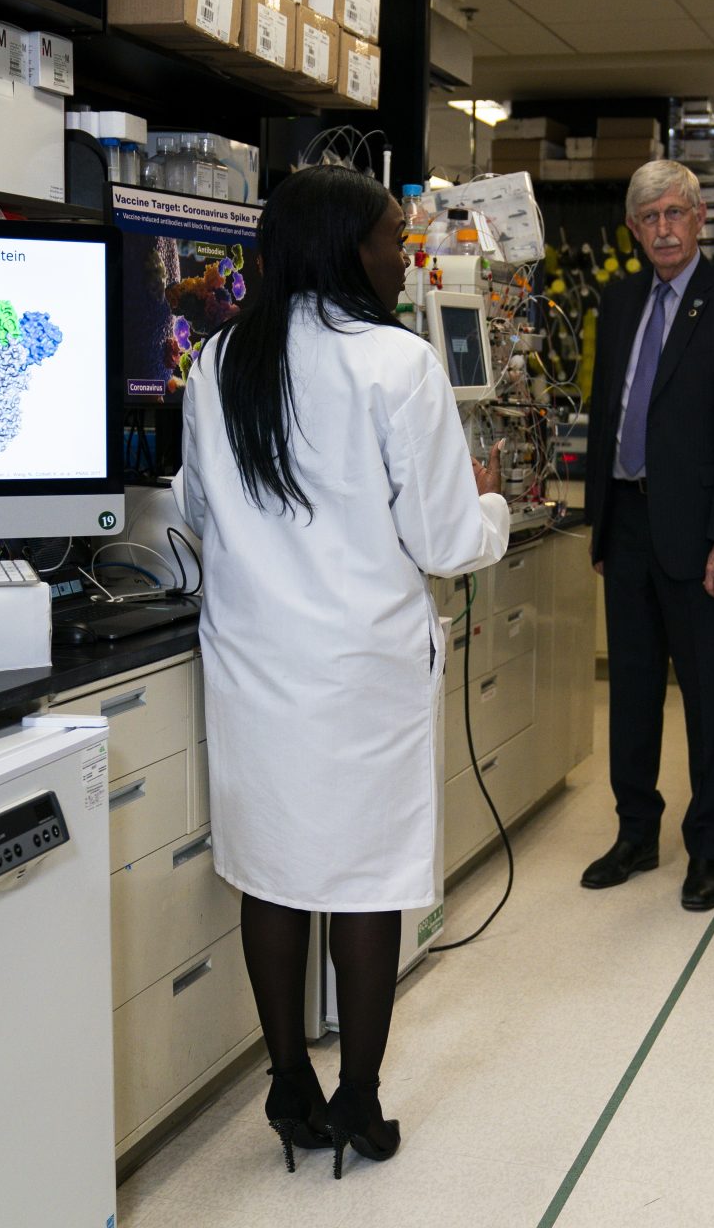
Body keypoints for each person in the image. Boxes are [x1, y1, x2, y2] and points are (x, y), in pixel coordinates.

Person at [172, 165, 510, 1176]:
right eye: (391, 237)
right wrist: (488, 504)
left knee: (273, 873)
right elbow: (446, 537)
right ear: (341, 247)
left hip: (256, 668)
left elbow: (194, 513)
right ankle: (358, 1100)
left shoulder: (218, 358)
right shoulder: (395, 364)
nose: (401, 255)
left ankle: (288, 1082)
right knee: (365, 883)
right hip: (362, 671)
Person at [580, 160, 714, 912]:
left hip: (699, 537)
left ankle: (707, 849)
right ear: (633, 229)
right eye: (648, 217)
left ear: (699, 220)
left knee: (706, 699)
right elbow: (609, 411)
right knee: (629, 692)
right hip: (626, 522)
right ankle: (636, 833)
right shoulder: (620, 297)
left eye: (674, 213)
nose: (662, 228)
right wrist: (600, 520)